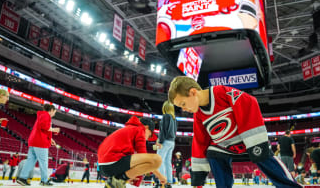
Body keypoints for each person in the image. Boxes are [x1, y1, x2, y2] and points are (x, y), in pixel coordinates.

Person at [168, 76, 301, 188]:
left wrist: (255, 143)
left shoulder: (222, 93)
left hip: (249, 142)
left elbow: (249, 102)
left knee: (267, 161)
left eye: (183, 104)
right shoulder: (198, 115)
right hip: (226, 147)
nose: (184, 109)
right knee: (212, 153)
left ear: (192, 92)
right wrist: (198, 177)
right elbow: (199, 141)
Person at [97, 116, 166, 188]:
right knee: (157, 160)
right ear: (146, 127)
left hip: (104, 166)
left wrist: (130, 175)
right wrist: (160, 176)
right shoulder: (140, 130)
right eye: (150, 135)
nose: (148, 138)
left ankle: (116, 181)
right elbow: (144, 157)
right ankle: (118, 179)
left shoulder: (129, 130)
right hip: (112, 161)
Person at [16, 104, 60, 186]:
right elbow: (44, 126)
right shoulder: (46, 115)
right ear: (51, 110)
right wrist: (54, 129)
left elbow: (41, 129)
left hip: (34, 141)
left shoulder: (41, 115)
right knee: (44, 162)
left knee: (30, 161)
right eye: (54, 112)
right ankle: (44, 180)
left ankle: (22, 178)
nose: (54, 114)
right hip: (40, 142)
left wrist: (50, 139)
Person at [155, 101, 177, 188]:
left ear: (165, 108)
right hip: (172, 142)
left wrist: (159, 141)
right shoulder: (174, 118)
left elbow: (163, 131)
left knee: (160, 161)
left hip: (165, 141)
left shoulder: (166, 116)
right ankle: (169, 182)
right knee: (167, 162)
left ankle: (162, 182)